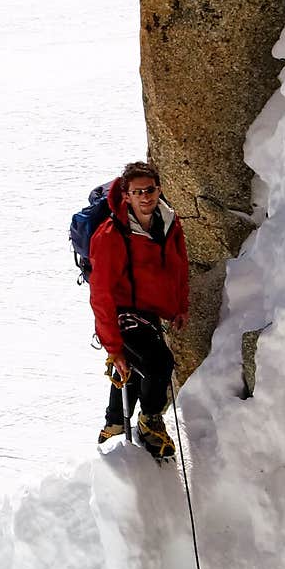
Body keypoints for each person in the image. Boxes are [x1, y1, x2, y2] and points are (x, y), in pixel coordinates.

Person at [89, 160, 189, 459]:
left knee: (137, 367)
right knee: (158, 364)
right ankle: (150, 421)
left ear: (159, 189)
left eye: (150, 190)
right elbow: (101, 293)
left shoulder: (169, 223)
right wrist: (113, 347)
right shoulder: (110, 235)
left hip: (149, 311)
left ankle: (116, 421)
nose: (145, 197)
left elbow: (179, 266)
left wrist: (180, 306)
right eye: (137, 192)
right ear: (126, 195)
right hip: (121, 311)